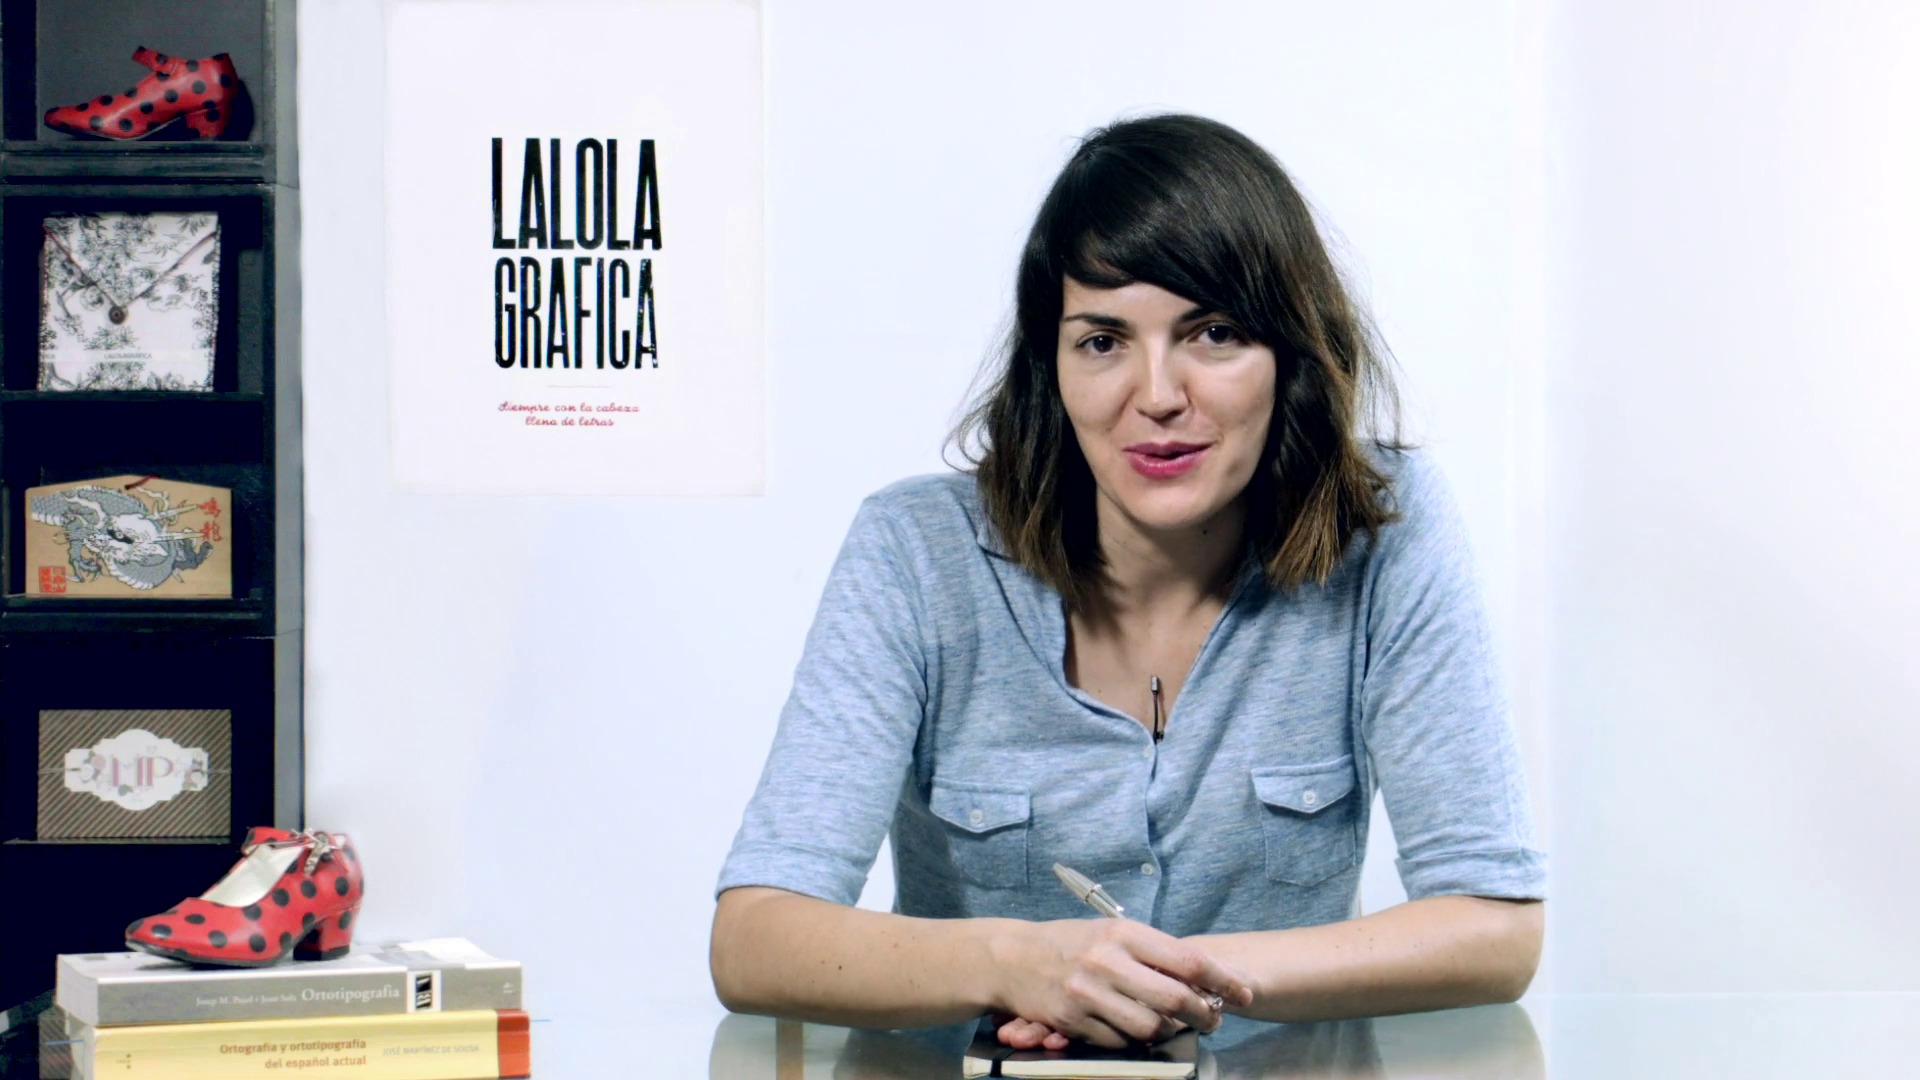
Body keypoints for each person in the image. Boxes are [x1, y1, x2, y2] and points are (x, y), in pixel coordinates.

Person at [709, 113, 1546, 1050]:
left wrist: (1162, 979)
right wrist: (1014, 962)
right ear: (1051, 366)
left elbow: (1495, 928)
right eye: (1103, 341)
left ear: (1292, 353)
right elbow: (754, 940)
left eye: (1215, 333)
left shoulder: (1388, 526)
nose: (1157, 395)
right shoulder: (916, 550)